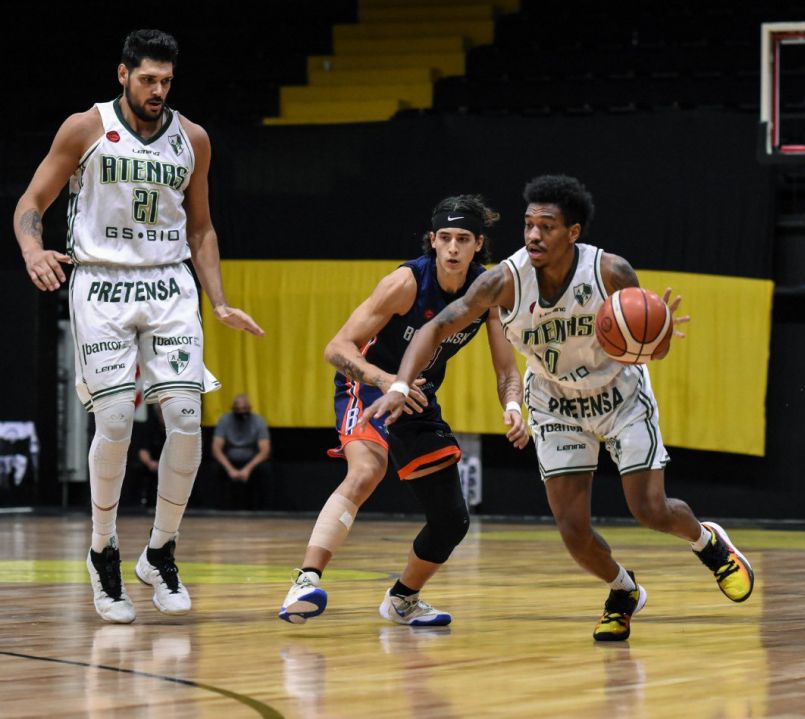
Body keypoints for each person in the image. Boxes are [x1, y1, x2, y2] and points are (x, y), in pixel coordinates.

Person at [362, 175, 754, 642]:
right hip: (554, 401)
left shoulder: (610, 272)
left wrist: (658, 334)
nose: (533, 235)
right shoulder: (503, 281)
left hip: (618, 393)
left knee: (649, 509)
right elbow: (435, 328)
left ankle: (709, 544)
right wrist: (399, 383)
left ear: (573, 232)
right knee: (573, 531)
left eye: (546, 227)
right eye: (529, 225)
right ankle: (623, 591)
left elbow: (649, 349)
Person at [13, 29, 263, 624]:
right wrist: (32, 251)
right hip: (100, 282)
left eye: (166, 81)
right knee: (117, 420)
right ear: (123, 74)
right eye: (148, 78)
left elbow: (201, 228)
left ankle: (160, 552)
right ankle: (102, 551)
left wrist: (219, 300)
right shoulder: (86, 128)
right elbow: (31, 202)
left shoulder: (192, 139)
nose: (158, 90)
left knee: (186, 421)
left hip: (169, 283)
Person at [278, 194, 528, 626]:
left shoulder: (488, 293)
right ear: (432, 240)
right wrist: (384, 381)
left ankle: (402, 600)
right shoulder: (406, 283)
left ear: (478, 244)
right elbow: (336, 348)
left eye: (462, 239)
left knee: (451, 521)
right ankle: (305, 582)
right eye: (445, 237)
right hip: (369, 386)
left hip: (418, 396)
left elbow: (506, 369)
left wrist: (512, 406)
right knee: (366, 470)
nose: (452, 247)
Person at [212, 393, 272, 509]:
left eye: (244, 408)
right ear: (233, 408)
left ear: (249, 408)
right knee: (215, 468)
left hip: (251, 460)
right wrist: (230, 469)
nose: (241, 412)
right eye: (238, 409)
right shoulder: (225, 420)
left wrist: (247, 469)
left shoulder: (258, 421)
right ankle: (218, 508)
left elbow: (265, 450)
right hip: (230, 460)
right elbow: (216, 448)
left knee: (266, 469)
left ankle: (263, 510)